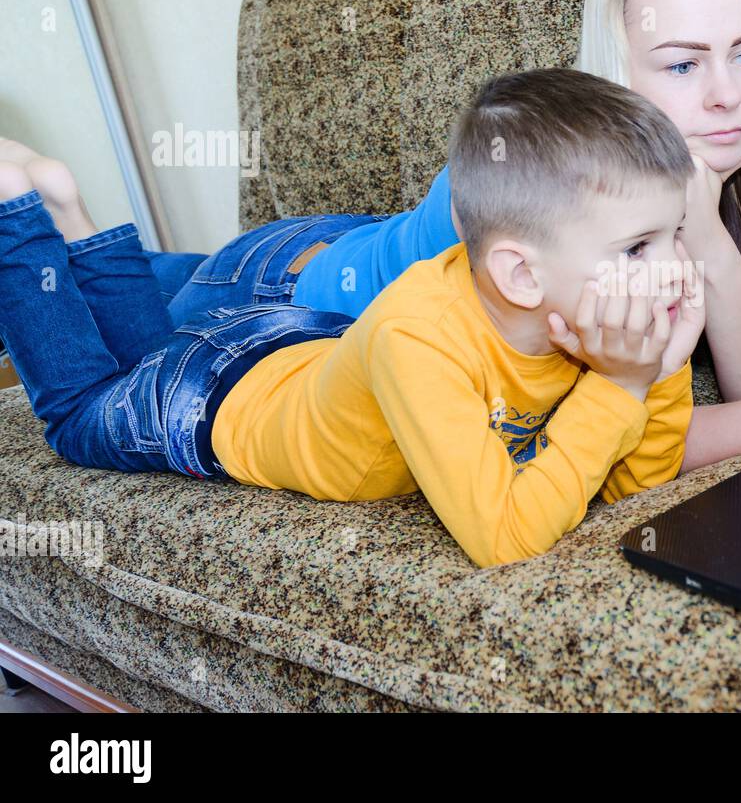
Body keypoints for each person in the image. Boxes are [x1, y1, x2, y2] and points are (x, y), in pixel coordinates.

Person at [0, 0, 741, 474]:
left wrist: (711, 234)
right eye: (682, 65)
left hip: (344, 239)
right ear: (617, 74)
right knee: (139, 333)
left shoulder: (725, 172)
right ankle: (48, 212)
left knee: (151, 284)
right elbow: (591, 442)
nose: (727, 94)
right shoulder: (571, 200)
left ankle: (67, 216)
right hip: (284, 288)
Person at [0, 69, 703, 568]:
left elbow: (626, 491)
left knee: (142, 355)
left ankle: (68, 209)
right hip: (210, 400)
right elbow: (507, 537)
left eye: (675, 234)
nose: (673, 265)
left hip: (299, 342)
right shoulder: (419, 336)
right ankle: (14, 212)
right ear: (522, 273)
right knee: (83, 412)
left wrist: (657, 372)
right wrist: (621, 389)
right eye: (639, 246)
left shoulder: (588, 321)